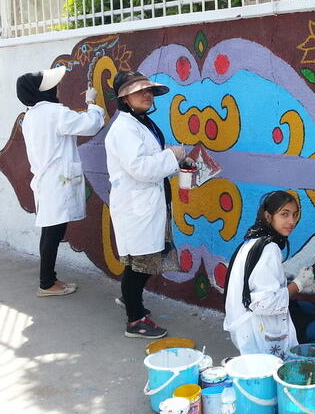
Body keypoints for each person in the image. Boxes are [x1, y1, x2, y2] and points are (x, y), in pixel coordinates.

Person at [105, 70, 188, 339]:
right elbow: (140, 168)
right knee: (139, 265)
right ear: (124, 98)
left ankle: (131, 299)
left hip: (147, 202)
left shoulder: (140, 122)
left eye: (148, 90)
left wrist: (175, 159)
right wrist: (171, 156)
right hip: (136, 205)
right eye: (138, 91)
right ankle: (135, 320)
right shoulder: (124, 129)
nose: (147, 95)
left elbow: (150, 157)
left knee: (141, 260)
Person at [17, 66, 105, 297]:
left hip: (48, 182)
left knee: (50, 231)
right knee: (53, 232)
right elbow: (91, 125)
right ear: (42, 92)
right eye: (52, 86)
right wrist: (92, 102)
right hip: (57, 183)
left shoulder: (31, 115)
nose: (57, 88)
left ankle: (49, 279)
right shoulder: (54, 113)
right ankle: (46, 284)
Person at [223, 190, 315, 358]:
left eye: (295, 215)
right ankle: (301, 359)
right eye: (284, 214)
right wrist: (298, 284)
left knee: (309, 308)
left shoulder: (253, 240)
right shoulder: (269, 249)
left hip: (240, 324)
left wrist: (287, 280)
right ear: (268, 216)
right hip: (255, 331)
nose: (292, 221)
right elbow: (265, 303)